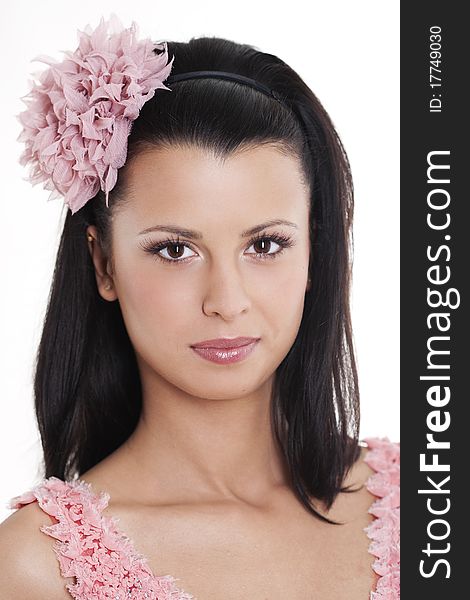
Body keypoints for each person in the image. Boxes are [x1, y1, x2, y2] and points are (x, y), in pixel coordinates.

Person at [0, 15, 399, 600]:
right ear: (103, 263)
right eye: (175, 250)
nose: (226, 302)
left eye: (265, 245)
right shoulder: (37, 568)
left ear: (315, 251)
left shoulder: (428, 502)